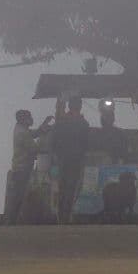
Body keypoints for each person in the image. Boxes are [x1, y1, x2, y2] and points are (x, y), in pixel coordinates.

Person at [6, 109, 53, 225]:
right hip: (22, 169)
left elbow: (34, 133)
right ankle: (11, 223)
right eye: (29, 117)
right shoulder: (22, 133)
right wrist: (45, 138)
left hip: (19, 168)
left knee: (18, 196)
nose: (31, 119)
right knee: (19, 197)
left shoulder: (21, 129)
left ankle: (11, 222)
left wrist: (44, 125)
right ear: (24, 119)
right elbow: (35, 148)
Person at [50, 96, 90, 224]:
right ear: (80, 106)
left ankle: (61, 217)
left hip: (63, 159)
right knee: (71, 188)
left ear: (69, 106)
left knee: (63, 187)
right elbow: (86, 144)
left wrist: (56, 154)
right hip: (76, 159)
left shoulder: (62, 122)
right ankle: (66, 216)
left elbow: (54, 140)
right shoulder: (83, 123)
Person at [98, 98, 128, 163]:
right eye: (105, 116)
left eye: (109, 115)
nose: (107, 118)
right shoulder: (94, 135)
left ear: (113, 118)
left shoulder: (121, 135)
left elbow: (124, 155)